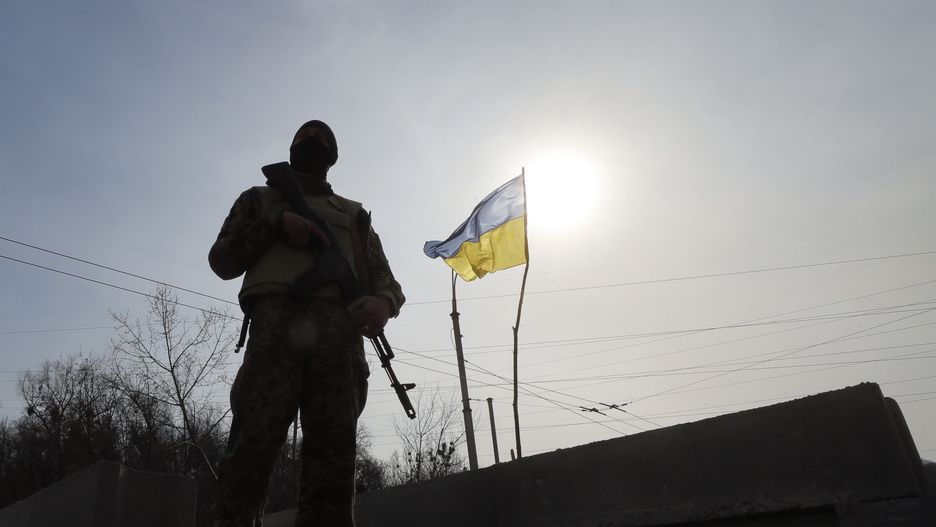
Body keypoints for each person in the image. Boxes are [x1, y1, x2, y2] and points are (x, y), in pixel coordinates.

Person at [208, 119, 405, 526]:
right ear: (292, 150)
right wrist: (276, 225)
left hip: (339, 346)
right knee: (251, 449)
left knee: (333, 462)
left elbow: (384, 276)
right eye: (306, 140)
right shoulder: (260, 199)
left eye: (322, 143)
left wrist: (383, 303)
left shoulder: (353, 215)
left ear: (332, 159)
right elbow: (222, 260)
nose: (313, 146)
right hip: (274, 339)